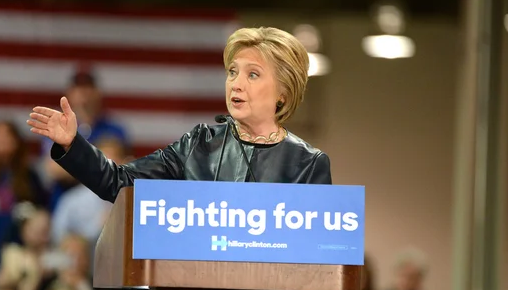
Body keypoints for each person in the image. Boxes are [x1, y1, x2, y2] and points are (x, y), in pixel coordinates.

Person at [26, 27, 332, 199]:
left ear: (283, 92)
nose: (236, 84)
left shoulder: (307, 164)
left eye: (252, 75)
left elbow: (317, 254)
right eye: (232, 72)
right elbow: (118, 182)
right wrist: (73, 144)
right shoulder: (199, 145)